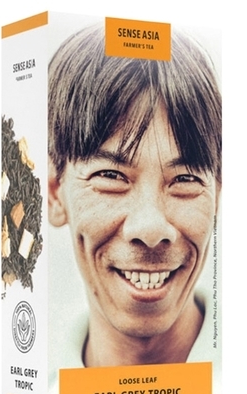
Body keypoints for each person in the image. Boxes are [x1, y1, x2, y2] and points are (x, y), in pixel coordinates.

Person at [48, 24, 221, 368]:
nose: (151, 228)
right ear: (55, 193)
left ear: (218, 192)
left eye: (185, 179)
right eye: (111, 177)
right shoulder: (33, 389)